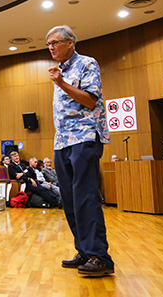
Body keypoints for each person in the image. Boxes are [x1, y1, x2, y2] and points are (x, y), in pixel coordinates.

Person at [47, 24, 113, 276]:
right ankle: (84, 251)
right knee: (70, 200)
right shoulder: (60, 70)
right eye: (48, 44)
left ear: (71, 42)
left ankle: (100, 257)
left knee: (86, 197)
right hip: (62, 141)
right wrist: (60, 79)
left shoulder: (87, 64)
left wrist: (61, 82)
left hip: (84, 137)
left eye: (55, 42)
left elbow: (89, 100)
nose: (51, 47)